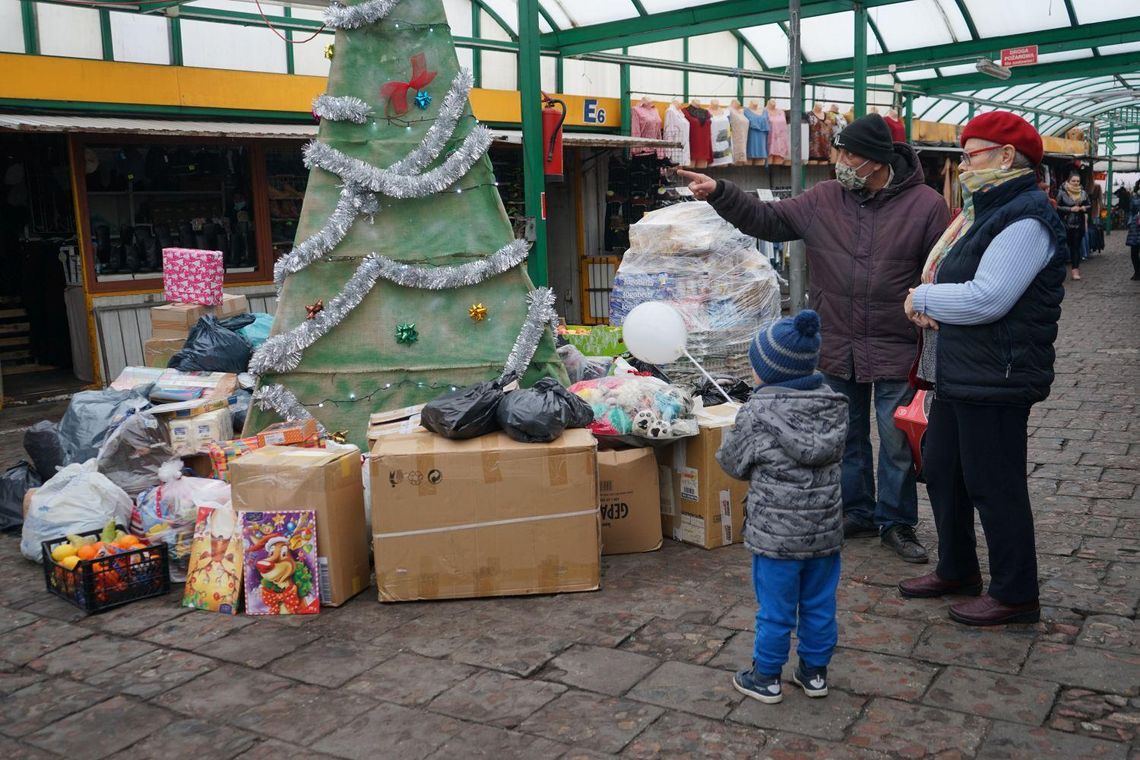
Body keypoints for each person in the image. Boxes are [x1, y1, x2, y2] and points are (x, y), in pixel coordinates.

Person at [679, 113, 950, 563]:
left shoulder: (926, 205)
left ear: (878, 160)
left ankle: (896, 521)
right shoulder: (825, 198)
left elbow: (938, 272)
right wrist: (720, 193)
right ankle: (856, 510)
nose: (838, 160)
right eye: (839, 151)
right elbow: (766, 220)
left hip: (898, 345)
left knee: (897, 443)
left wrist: (929, 308)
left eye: (848, 153)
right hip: (838, 343)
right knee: (846, 437)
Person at [899, 111, 1067, 626]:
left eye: (971, 154)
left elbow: (988, 298)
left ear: (1005, 157)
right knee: (946, 471)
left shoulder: (1025, 218)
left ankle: (1016, 593)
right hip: (960, 373)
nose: (963, 164)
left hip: (998, 375)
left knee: (996, 485)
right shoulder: (982, 211)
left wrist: (925, 296)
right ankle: (957, 569)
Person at [716, 310, 847, 704]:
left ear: (769, 372)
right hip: (824, 534)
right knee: (820, 604)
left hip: (776, 538)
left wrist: (732, 432)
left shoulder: (756, 413)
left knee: (775, 609)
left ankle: (766, 677)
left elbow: (732, 463)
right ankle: (815, 674)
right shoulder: (833, 406)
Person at [1056, 172, 1089, 280]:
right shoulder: (1061, 192)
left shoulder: (1083, 193)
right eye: (1073, 181)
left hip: (1078, 224)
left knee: (1076, 248)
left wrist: (1085, 208)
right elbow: (1056, 207)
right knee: (1062, 247)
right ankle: (1057, 271)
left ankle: (1075, 271)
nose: (1075, 183)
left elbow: (1089, 205)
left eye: (1077, 181)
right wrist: (1069, 209)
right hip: (1065, 224)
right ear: (1068, 181)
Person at [1128, 190, 1140, 281]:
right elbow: (1131, 212)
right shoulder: (1134, 198)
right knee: (1134, 252)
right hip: (1135, 227)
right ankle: (1137, 272)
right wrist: (1130, 222)